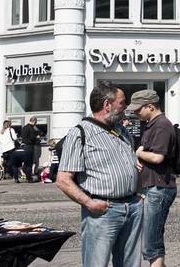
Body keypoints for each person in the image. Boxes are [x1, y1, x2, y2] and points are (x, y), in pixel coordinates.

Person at [55, 83, 143, 267]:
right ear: (107, 105)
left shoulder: (122, 131)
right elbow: (63, 180)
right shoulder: (80, 133)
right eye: (122, 103)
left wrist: (139, 195)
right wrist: (89, 203)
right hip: (103, 211)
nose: (125, 108)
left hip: (132, 208)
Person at [130, 90, 180, 267]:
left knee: (151, 244)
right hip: (152, 187)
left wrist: (139, 152)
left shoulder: (162, 125)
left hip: (159, 188)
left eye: (138, 109)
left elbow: (157, 157)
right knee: (151, 239)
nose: (135, 113)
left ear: (150, 106)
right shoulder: (152, 124)